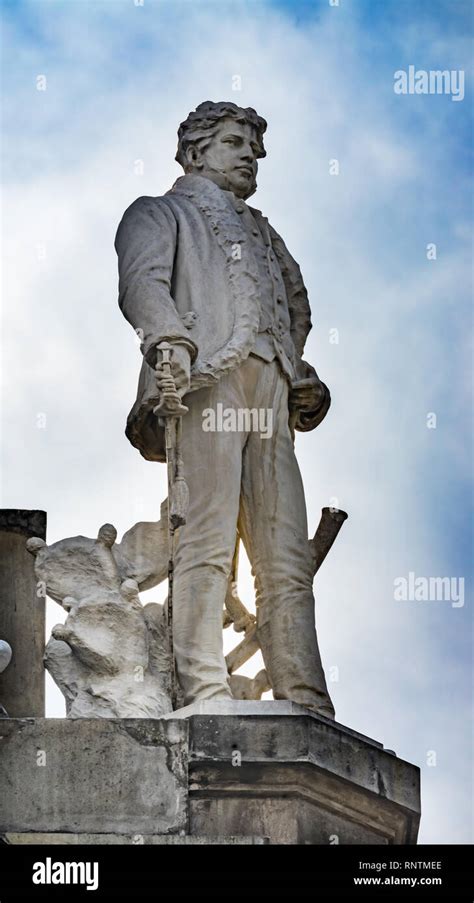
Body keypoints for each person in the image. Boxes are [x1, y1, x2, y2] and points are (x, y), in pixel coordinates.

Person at [115, 101, 335, 717]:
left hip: (268, 388)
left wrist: (300, 372)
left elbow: (293, 311)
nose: (249, 156)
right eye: (235, 142)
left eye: (254, 148)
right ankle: (204, 695)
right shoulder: (160, 213)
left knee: (285, 552)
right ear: (195, 150)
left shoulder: (267, 235)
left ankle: (306, 699)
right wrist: (169, 343)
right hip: (205, 380)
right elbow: (143, 285)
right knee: (206, 542)